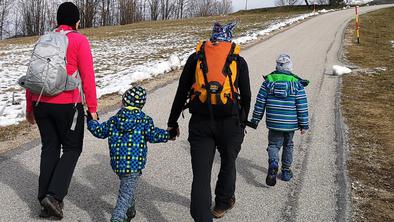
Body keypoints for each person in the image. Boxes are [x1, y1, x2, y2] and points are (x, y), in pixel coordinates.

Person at [167, 22, 251, 221]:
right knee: (229, 163)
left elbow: (181, 92)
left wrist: (173, 122)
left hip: (200, 122)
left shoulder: (196, 58)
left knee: (201, 176)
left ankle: (203, 217)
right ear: (229, 38)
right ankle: (222, 204)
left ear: (211, 37)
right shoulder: (237, 60)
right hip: (230, 123)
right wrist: (243, 122)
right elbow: (246, 95)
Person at [24, 2, 98, 219]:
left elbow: (33, 76)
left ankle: (44, 200)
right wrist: (92, 108)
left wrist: (30, 108)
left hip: (41, 104)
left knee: (49, 148)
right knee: (72, 149)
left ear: (57, 20)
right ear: (76, 21)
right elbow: (88, 77)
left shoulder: (44, 40)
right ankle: (54, 197)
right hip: (68, 105)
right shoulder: (79, 40)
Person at [87, 86, 172, 222]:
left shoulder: (114, 120)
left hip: (117, 164)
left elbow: (99, 131)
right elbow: (154, 135)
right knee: (125, 194)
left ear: (124, 102)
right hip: (133, 165)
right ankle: (118, 218)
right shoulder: (144, 120)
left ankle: (130, 210)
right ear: (141, 105)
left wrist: (91, 120)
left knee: (127, 188)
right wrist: (168, 134)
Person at [249, 54, 309, 186]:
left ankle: (273, 163)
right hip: (290, 124)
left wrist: (255, 119)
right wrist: (304, 124)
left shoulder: (268, 82)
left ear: (277, 66)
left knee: (273, 145)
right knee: (288, 145)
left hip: (274, 122)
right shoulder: (297, 84)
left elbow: (260, 102)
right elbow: (302, 105)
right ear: (290, 67)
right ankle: (286, 172)